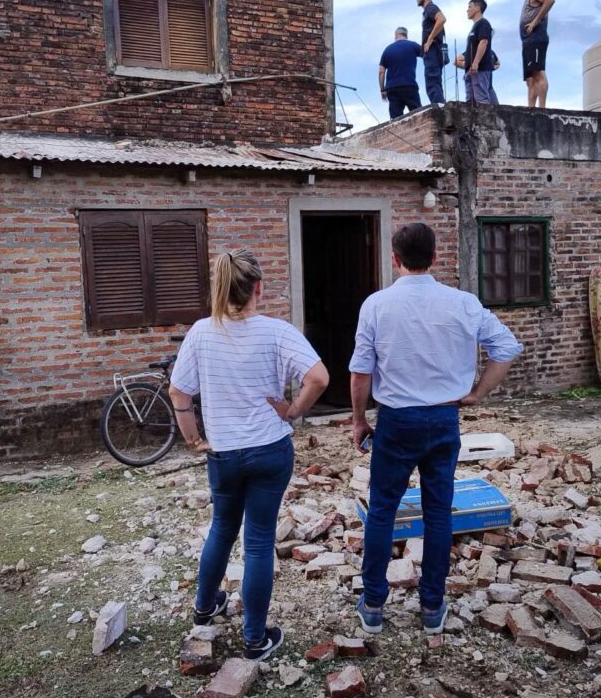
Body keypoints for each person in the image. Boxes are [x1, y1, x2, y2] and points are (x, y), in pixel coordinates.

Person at [348, 223, 522, 635]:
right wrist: (477, 392)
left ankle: (373, 604)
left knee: (383, 510)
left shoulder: (377, 304)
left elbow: (360, 373)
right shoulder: (463, 303)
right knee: (439, 512)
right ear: (435, 257)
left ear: (395, 258)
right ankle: (432, 607)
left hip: (396, 420)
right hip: (444, 419)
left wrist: (359, 420)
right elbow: (507, 348)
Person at [169, 250, 329, 661]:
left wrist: (194, 438)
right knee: (257, 543)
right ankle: (255, 639)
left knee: (222, 528)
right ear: (259, 287)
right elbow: (319, 377)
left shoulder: (202, 332)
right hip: (270, 450)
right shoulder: (276, 332)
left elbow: (178, 392)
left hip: (223, 453)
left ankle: (205, 609)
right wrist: (294, 411)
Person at [519, 0, 555, 108]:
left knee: (538, 73)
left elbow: (550, 0)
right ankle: (531, 109)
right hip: (527, 41)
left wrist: (535, 22)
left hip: (536, 38)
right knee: (530, 79)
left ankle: (542, 108)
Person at [378, 26, 422, 119]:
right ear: (406, 35)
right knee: (418, 115)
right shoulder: (413, 45)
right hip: (409, 85)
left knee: (396, 120)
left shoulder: (387, 50)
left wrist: (382, 90)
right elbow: (427, 54)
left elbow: (381, 72)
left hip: (392, 88)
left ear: (395, 36)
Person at [415, 0, 446, 105]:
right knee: (434, 82)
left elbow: (442, 19)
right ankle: (440, 106)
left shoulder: (430, 8)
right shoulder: (427, 11)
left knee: (432, 81)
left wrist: (429, 40)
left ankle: (440, 109)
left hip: (433, 51)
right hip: (433, 52)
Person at [463, 0, 494, 105]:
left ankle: (485, 122)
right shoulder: (475, 26)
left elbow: (484, 41)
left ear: (477, 8)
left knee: (481, 100)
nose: (467, 10)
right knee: (470, 103)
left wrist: (476, 62)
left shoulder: (483, 23)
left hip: (480, 69)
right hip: (470, 70)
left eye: (469, 7)